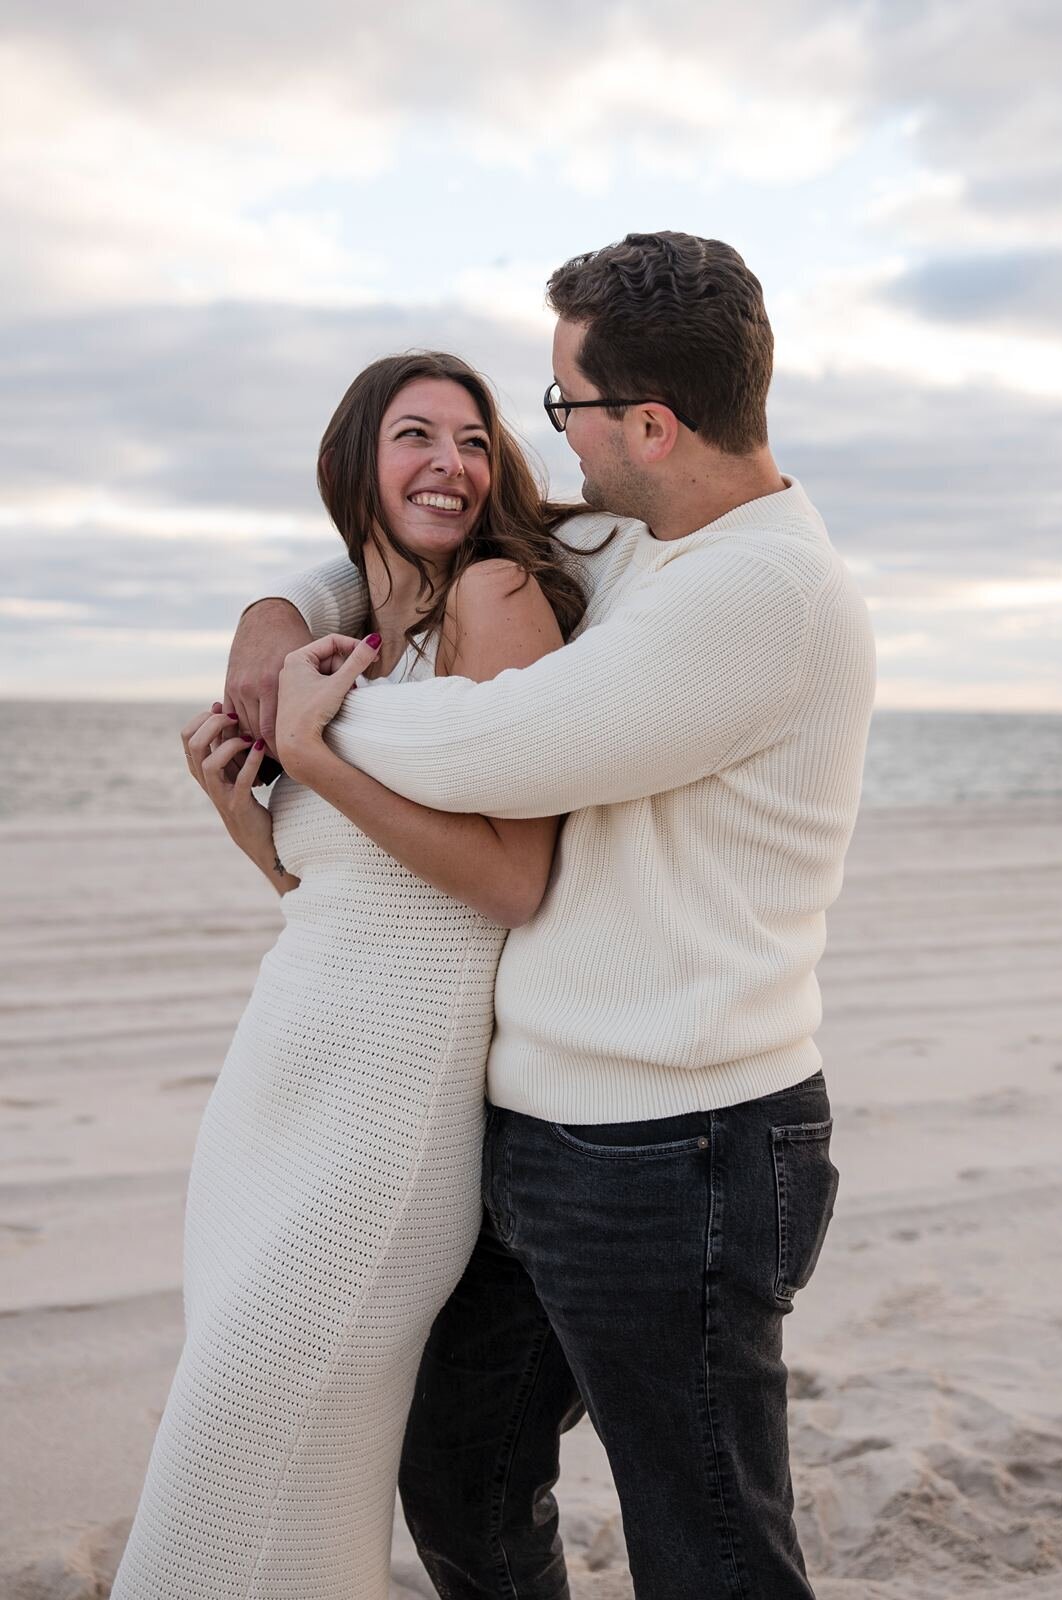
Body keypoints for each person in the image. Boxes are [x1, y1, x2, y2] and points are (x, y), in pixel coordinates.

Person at [228, 231, 878, 1598]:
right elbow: (409, 544)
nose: (549, 437)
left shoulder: (761, 592)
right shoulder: (644, 535)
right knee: (461, 1478)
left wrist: (318, 734)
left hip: (680, 1148)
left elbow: (487, 748)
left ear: (647, 421)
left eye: (560, 405)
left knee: (702, 1535)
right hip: (542, 1131)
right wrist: (276, 619)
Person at [111, 352, 592, 1600]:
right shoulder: (355, 635)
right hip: (276, 1078)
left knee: (242, 1444)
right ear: (354, 465)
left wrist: (314, 762)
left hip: (388, 1117)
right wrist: (246, 819)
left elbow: (504, 887)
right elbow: (347, 904)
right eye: (414, 435)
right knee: (265, 1464)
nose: (451, 462)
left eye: (475, 440)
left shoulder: (494, 597)